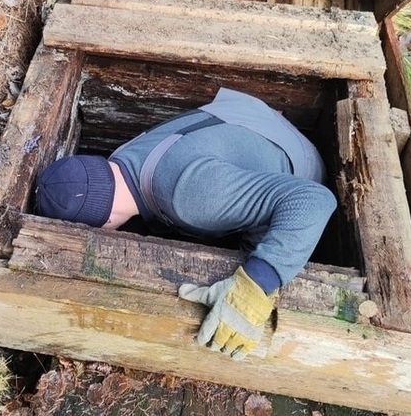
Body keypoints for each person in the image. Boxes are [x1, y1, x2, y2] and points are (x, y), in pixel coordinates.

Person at [35, 88, 337, 360]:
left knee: (252, 254)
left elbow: (313, 201)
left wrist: (256, 285)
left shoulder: (188, 197)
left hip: (303, 167)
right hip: (264, 128)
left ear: (106, 224)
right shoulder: (124, 156)